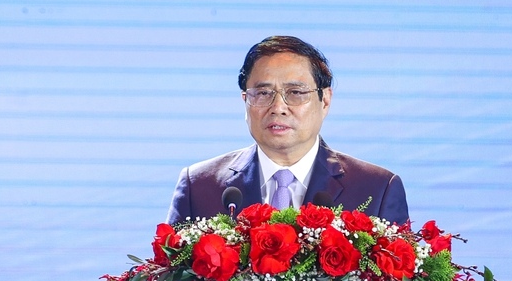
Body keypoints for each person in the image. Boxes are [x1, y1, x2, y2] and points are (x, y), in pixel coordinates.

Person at [166, 35, 409, 225]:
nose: (278, 108)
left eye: (295, 92)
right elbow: (168, 273)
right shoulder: (199, 186)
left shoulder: (377, 189)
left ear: (325, 101)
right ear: (245, 101)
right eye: (263, 93)